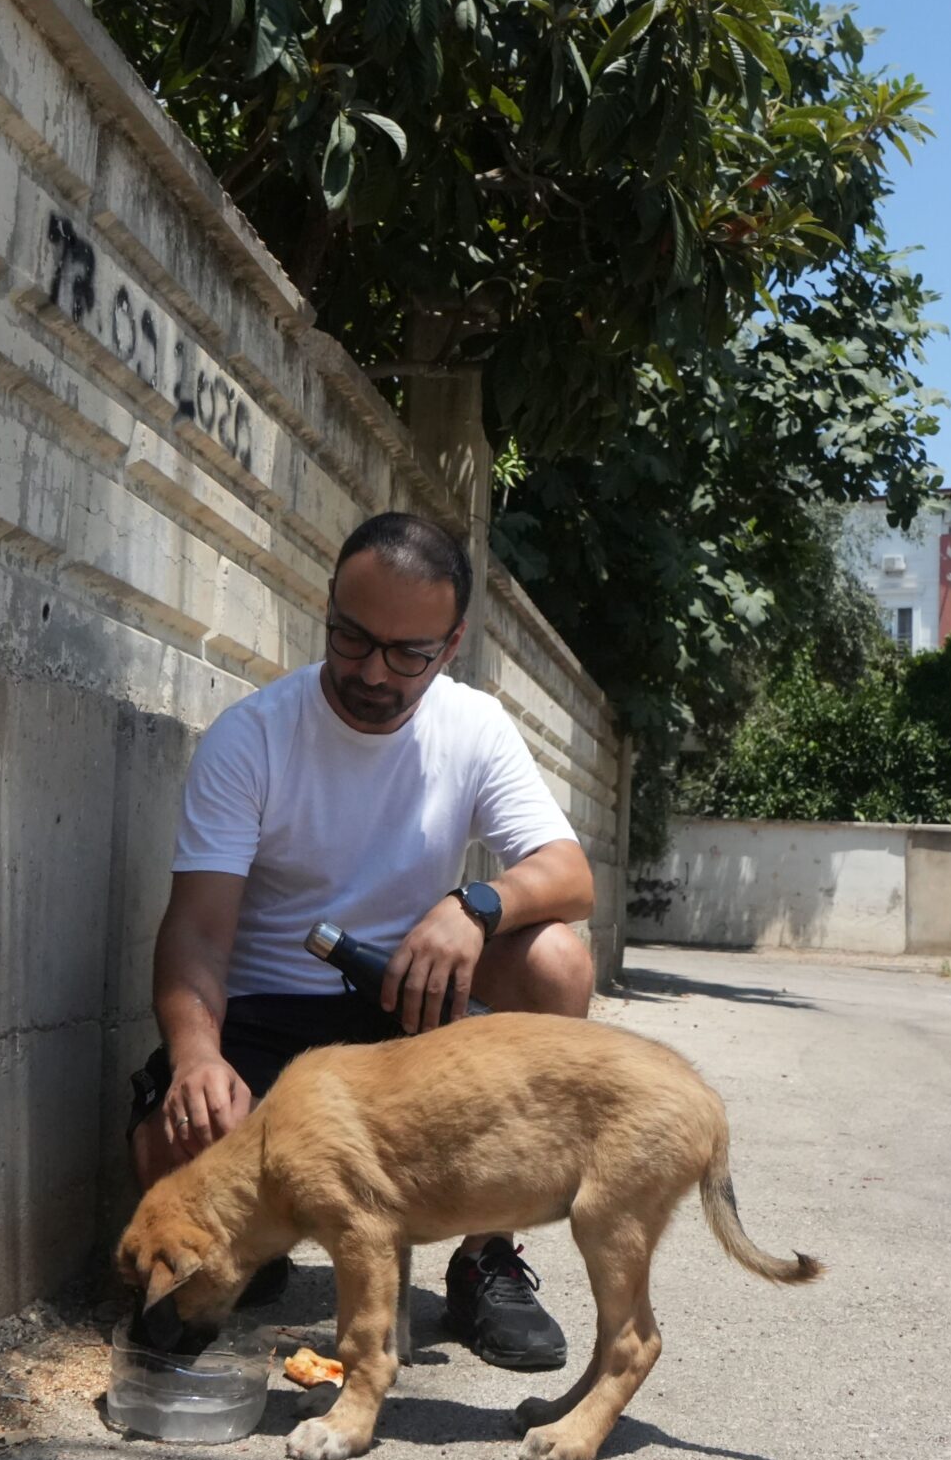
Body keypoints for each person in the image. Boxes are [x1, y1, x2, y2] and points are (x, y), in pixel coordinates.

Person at [125, 512, 597, 1370]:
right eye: (352, 637)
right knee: (168, 1139)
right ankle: (243, 1251)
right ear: (330, 610)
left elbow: (570, 874)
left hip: (407, 1021)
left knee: (559, 957)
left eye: (406, 653)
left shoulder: (474, 728)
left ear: (450, 645)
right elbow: (195, 927)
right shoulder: (254, 734)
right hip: (270, 1015)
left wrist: (476, 904)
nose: (372, 672)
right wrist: (195, 1056)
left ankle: (486, 1254)